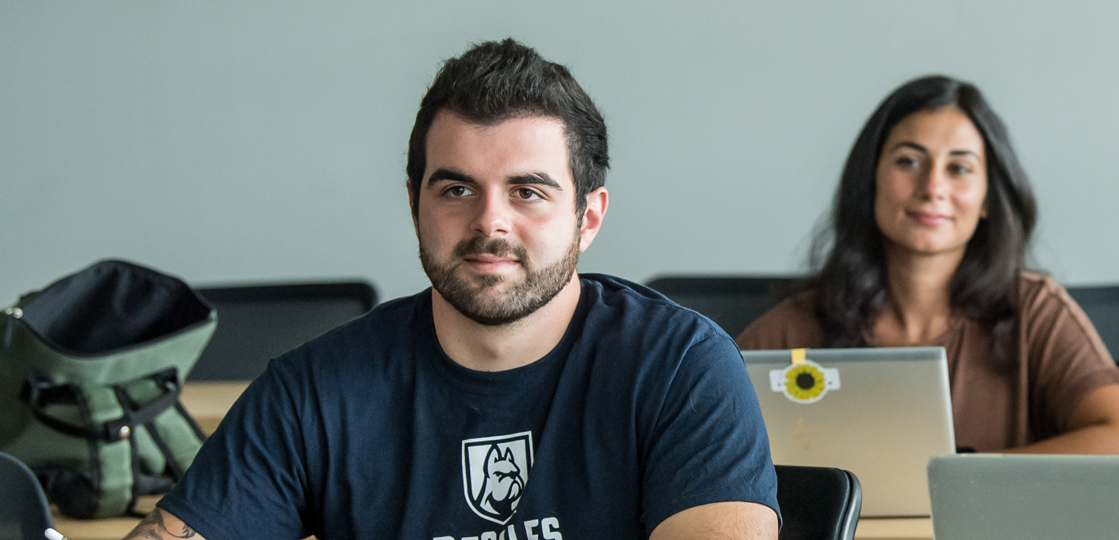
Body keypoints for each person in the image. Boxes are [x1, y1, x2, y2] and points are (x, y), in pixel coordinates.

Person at [129, 39, 780, 540]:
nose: (490, 222)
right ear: (416, 205)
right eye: (457, 189)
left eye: (528, 192)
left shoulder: (680, 365)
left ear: (588, 218)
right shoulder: (315, 391)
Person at [737, 76, 1119, 454]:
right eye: (908, 162)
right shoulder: (793, 328)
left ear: (987, 198)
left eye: (959, 168)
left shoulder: (1034, 311)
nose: (932, 187)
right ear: (871, 179)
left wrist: (955, 478)